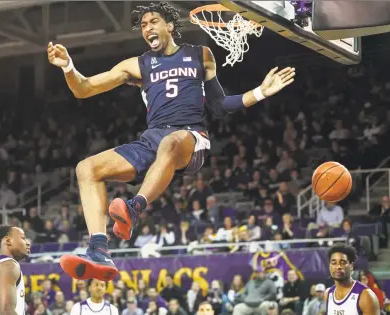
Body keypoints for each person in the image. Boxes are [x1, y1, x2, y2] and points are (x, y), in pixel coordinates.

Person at [48, 1, 295, 281]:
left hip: (191, 138)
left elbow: (219, 105)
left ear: (170, 26)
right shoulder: (138, 65)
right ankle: (98, 249)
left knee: (172, 141)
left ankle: (134, 208)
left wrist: (260, 93)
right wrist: (68, 66)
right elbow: (85, 88)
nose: (147, 28)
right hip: (152, 140)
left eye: (153, 22)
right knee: (86, 168)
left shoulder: (200, 55)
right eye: (143, 25)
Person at [324, 243, 380, 315]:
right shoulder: (328, 294)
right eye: (334, 263)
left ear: (351, 266)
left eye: (343, 262)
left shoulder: (366, 296)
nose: (338, 267)